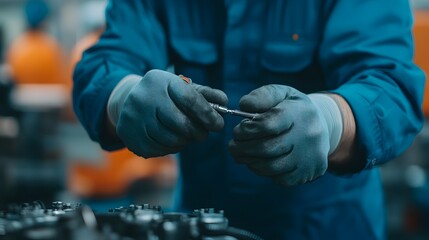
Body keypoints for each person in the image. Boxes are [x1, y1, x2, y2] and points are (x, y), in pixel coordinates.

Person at [73, 1, 425, 239]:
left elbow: (392, 87)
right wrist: (121, 95)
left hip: (329, 227)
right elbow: (104, 62)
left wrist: (332, 120)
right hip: (203, 222)